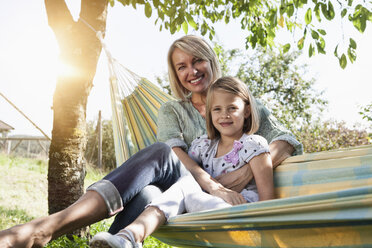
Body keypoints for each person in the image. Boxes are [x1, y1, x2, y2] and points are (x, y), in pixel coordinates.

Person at [0, 35, 302, 248]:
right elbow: (173, 153)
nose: (191, 71)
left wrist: (247, 170)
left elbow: (287, 140)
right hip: (187, 190)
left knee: (159, 156)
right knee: (147, 193)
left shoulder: (242, 102)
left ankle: (46, 228)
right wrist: (211, 182)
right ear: (175, 73)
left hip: (213, 202)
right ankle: (107, 241)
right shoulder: (173, 109)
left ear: (211, 61)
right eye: (181, 66)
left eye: (197, 61)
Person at [89, 76, 275, 248]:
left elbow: (268, 203)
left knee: (187, 185)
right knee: (185, 182)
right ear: (209, 114)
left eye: (232, 108)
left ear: (247, 110)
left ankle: (130, 237)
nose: (224, 115)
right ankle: (128, 236)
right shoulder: (204, 145)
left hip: (239, 213)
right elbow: (180, 174)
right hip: (203, 207)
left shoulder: (254, 145)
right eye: (217, 109)